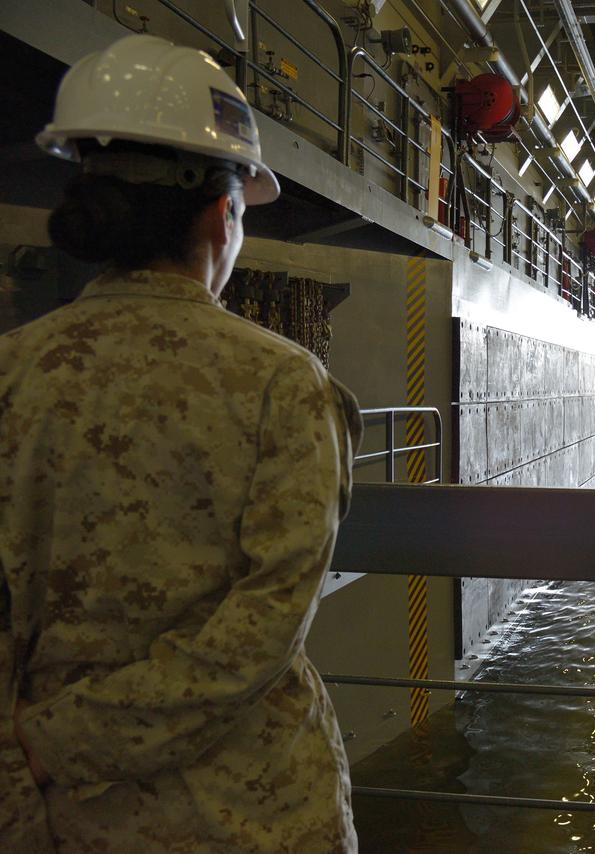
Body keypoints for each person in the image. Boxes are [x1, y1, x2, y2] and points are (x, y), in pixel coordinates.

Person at [0, 35, 360, 851]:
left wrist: (31, 757)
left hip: (58, 813)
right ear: (223, 213)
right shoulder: (283, 383)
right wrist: (69, 742)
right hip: (248, 811)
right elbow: (263, 631)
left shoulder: (11, 373)